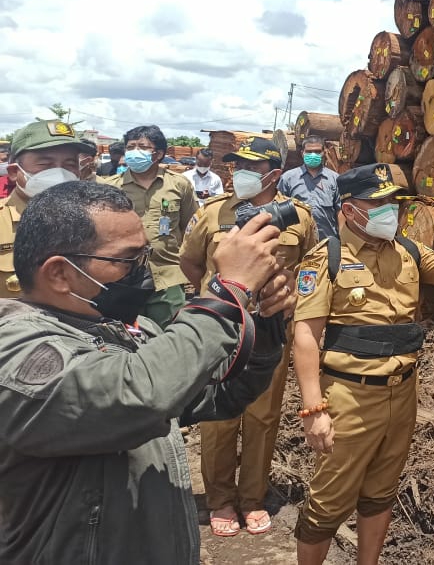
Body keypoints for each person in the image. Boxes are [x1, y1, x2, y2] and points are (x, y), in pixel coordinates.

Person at [0, 181, 295, 565]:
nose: (143, 271)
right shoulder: (18, 350)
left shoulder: (125, 329)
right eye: (127, 259)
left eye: (145, 255)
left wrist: (267, 324)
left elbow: (220, 394)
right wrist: (227, 291)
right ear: (59, 274)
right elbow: (141, 394)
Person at [292, 164, 434, 565]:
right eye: (377, 203)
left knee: (380, 493)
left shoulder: (408, 251)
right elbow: (306, 337)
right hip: (349, 398)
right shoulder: (325, 259)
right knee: (328, 501)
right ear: (349, 209)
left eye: (392, 202)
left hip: (402, 393)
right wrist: (314, 410)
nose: (388, 211)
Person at [179, 137, 317, 538]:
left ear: (274, 174)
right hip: (220, 329)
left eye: (249, 167)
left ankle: (252, 497)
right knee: (217, 417)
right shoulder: (211, 214)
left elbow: (309, 267)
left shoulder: (299, 218)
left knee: (262, 416)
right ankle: (220, 498)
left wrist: (290, 299)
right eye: (235, 165)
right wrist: (218, 297)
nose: (237, 173)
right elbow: (190, 262)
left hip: (270, 332)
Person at [100, 125, 197, 326]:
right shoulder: (110, 187)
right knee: (123, 335)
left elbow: (190, 227)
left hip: (167, 275)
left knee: (171, 335)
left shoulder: (179, 185)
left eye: (142, 147)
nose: (134, 152)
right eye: (130, 147)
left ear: (158, 154)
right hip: (121, 277)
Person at [1, 120, 96, 299]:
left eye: (69, 164)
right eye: (45, 164)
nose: (60, 173)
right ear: (14, 172)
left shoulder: (94, 221)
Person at [278, 136, 340, 240]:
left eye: (317, 151)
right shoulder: (288, 178)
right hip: (297, 240)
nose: (313, 155)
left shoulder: (334, 179)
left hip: (326, 240)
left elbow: (340, 211)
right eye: (309, 151)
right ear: (302, 153)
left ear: (324, 152)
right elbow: (279, 210)